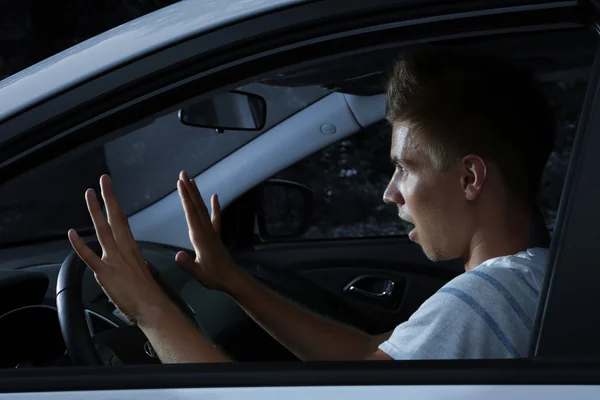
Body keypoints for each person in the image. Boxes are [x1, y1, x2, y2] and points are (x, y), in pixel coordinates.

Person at [67, 50, 554, 362]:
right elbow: (371, 356)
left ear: (470, 177)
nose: (390, 193)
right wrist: (233, 282)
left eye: (405, 167)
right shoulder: (530, 284)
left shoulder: (484, 300)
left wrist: (151, 310)